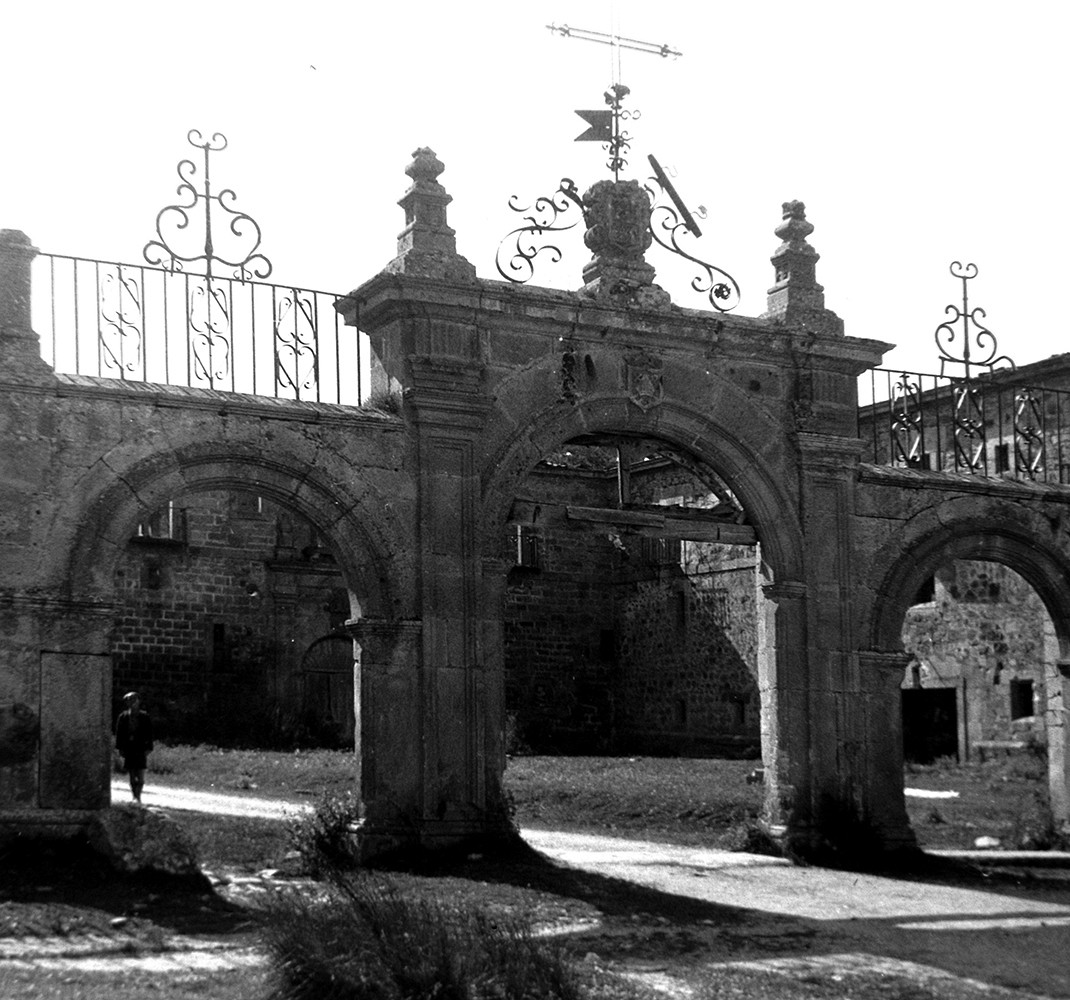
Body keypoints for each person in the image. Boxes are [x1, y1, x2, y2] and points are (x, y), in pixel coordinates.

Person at [115, 691, 153, 803]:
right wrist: (120, 748)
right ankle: (134, 796)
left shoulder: (145, 717)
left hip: (140, 748)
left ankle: (139, 796)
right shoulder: (123, 717)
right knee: (132, 774)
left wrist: (149, 747)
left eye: (134, 700)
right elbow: (119, 734)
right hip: (129, 748)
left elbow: (149, 733)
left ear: (138, 701)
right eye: (129, 701)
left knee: (140, 774)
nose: (131, 703)